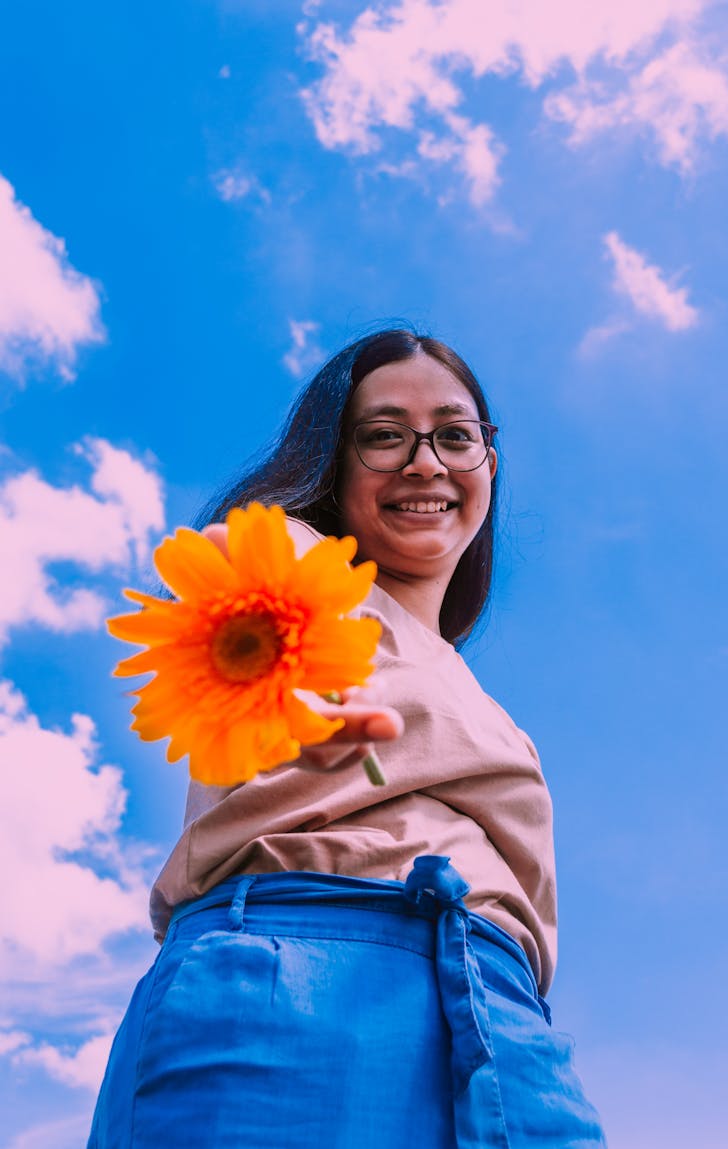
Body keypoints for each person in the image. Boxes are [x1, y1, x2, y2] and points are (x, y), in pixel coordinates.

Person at [88, 329, 607, 1148]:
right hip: (294, 981)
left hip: (509, 1025)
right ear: (335, 461)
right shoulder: (279, 559)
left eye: (454, 434)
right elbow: (233, 596)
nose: (425, 462)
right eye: (384, 434)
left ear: (489, 464)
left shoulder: (489, 710)